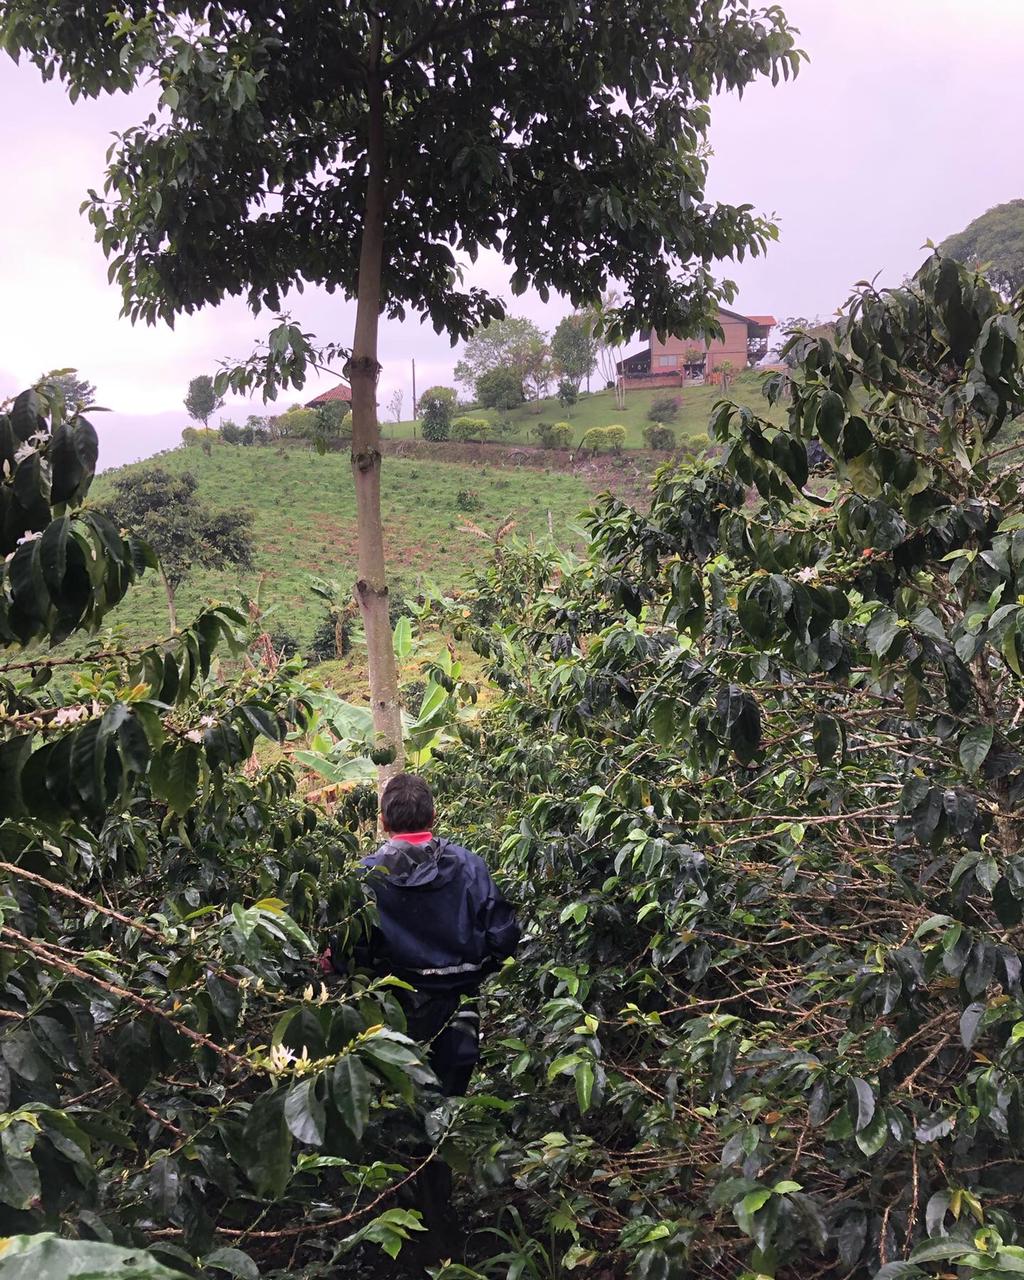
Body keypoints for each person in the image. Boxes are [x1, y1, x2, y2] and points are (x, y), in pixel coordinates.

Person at [324, 772, 520, 1096]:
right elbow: (503, 935)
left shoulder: (365, 876)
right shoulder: (469, 866)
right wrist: (473, 970)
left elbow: (348, 949)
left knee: (399, 1103)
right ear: (433, 816)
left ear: (384, 821)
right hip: (459, 1005)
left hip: (391, 1009)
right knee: (449, 1104)